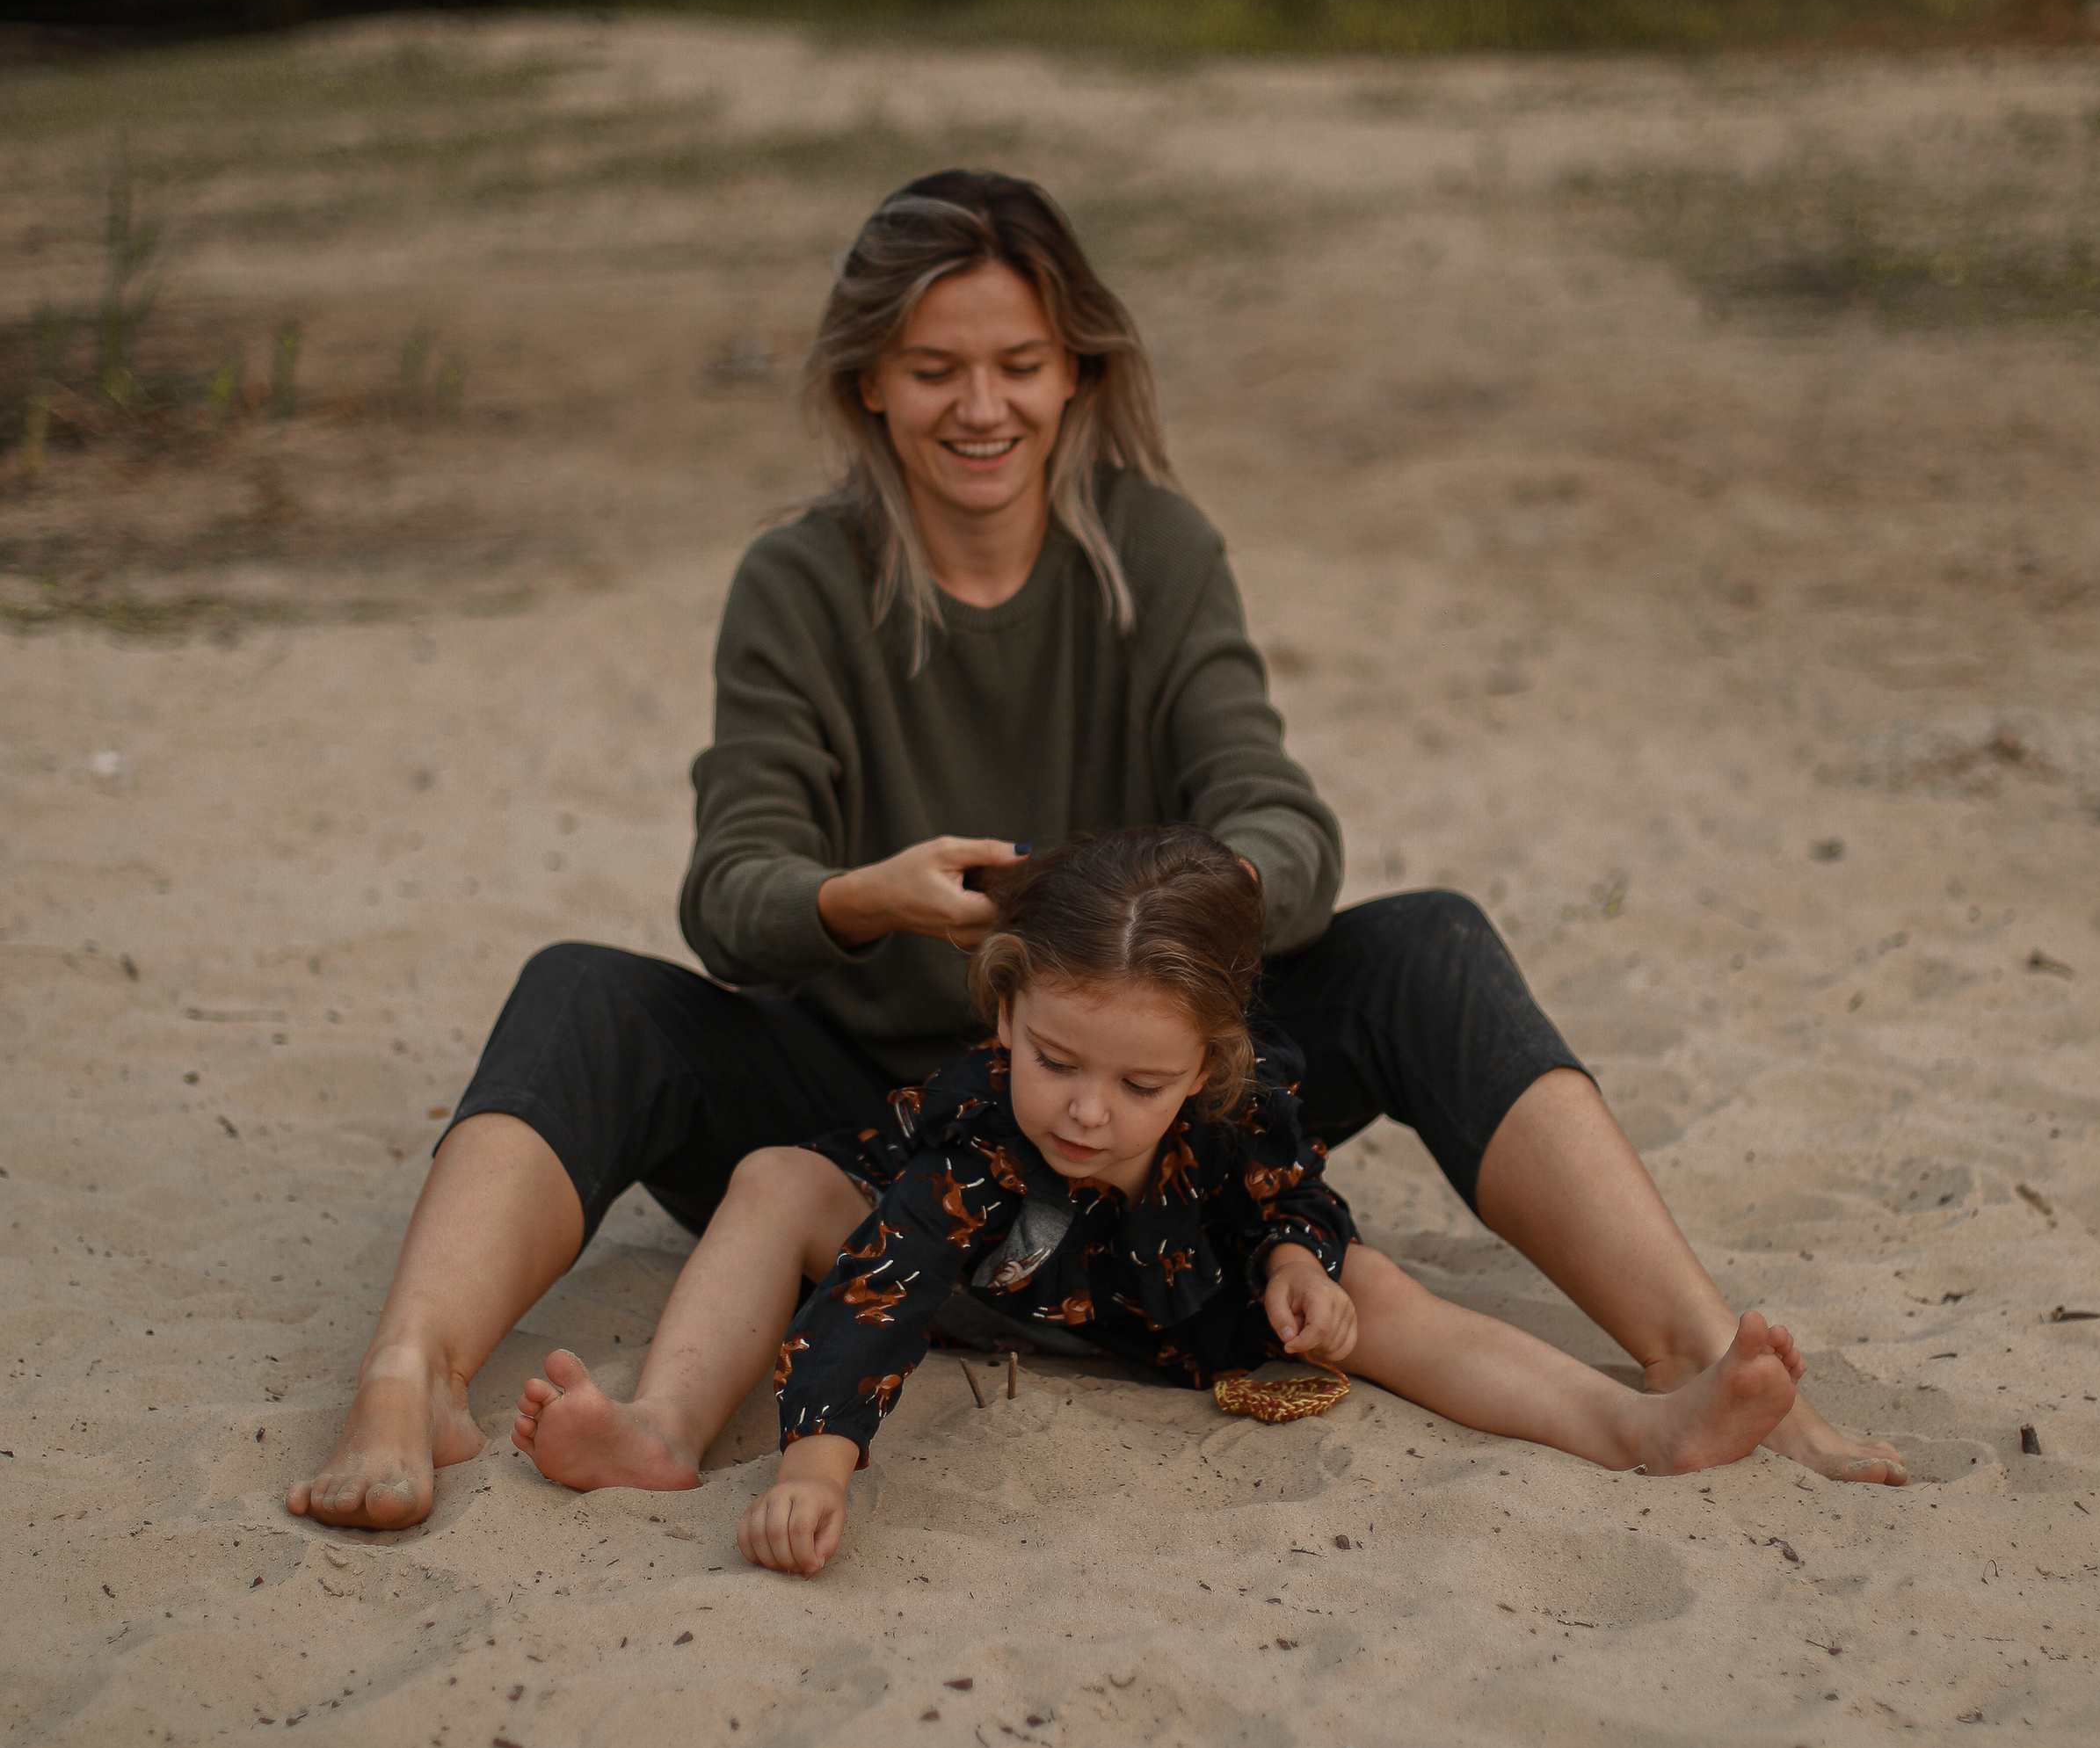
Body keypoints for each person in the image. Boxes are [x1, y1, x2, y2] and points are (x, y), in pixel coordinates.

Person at [288, 167, 1901, 1533]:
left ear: (1076, 371)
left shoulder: (1155, 546)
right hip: (870, 1116)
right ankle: (410, 1374)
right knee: (580, 991)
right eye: (934, 368)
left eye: (1019, 363)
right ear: (869, 382)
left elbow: (1282, 816)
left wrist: (1170, 926)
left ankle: (1691, 1351)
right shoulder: (797, 581)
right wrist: (871, 899)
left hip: (1143, 1093)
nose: (980, 406)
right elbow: (732, 893)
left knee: (1428, 944)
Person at [512, 829, 1809, 1574]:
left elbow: (1293, 1191)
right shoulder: (979, 1130)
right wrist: (815, 1469)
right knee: (773, 1179)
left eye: (1139, 1084)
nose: (1087, 1111)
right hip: (986, 1280)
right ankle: (664, 1427)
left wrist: (1295, 1262)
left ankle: (1641, 1425)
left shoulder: (1241, 1102)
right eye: (1057, 1061)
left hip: (1179, 1297)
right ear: (1004, 1010)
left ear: (1207, 1064)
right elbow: (880, 1293)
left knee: (1379, 1294)